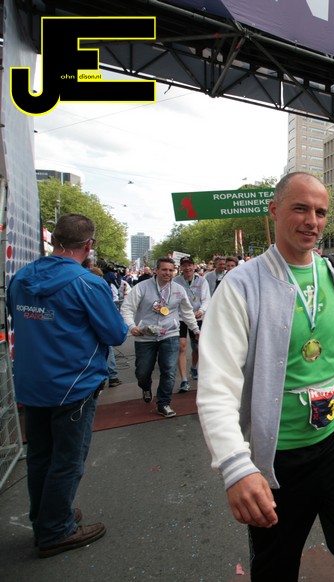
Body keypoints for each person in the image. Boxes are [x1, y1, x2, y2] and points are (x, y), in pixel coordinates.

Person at [196, 172, 334, 580]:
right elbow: (217, 385)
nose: (312, 221)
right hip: (279, 457)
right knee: (276, 567)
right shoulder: (241, 285)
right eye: (300, 209)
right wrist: (235, 465)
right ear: (275, 210)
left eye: (320, 212)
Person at [9, 213, 128, 557]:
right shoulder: (88, 283)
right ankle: (55, 530)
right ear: (89, 246)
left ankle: (47, 517)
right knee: (67, 460)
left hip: (32, 382)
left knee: (40, 456)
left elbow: (16, 317)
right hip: (72, 385)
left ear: (53, 240)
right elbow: (115, 333)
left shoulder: (21, 278)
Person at [121, 256, 200, 418]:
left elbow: (186, 312)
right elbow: (127, 308)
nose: (168, 273)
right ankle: (146, 387)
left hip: (170, 334)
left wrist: (195, 330)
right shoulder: (142, 287)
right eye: (164, 269)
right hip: (145, 335)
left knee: (169, 371)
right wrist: (132, 326)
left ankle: (163, 403)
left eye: (171, 270)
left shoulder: (178, 289)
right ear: (156, 270)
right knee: (143, 372)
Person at [173, 256, 211, 392]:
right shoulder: (175, 281)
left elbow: (206, 299)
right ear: (181, 268)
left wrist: (201, 311)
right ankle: (184, 380)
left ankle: (194, 367)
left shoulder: (202, 281)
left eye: (189, 265)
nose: (187, 268)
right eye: (184, 265)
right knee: (181, 346)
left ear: (194, 266)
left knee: (197, 348)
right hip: (181, 318)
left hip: (198, 317)